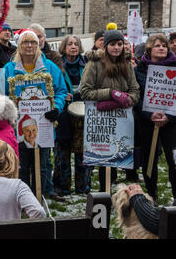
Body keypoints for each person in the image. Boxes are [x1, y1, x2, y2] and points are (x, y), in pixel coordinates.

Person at [3, 29, 68, 202]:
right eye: (25, 42)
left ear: (38, 45)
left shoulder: (50, 67)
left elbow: (61, 90)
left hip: (44, 123)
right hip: (19, 124)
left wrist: (57, 108)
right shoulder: (9, 69)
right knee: (23, 163)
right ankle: (24, 196)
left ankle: (42, 192)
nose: (29, 46)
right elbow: (1, 94)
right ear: (19, 46)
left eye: (33, 42)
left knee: (43, 162)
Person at [80, 30, 140, 193]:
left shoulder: (127, 63)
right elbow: (84, 91)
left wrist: (128, 99)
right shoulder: (94, 63)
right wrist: (110, 94)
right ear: (105, 46)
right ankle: (103, 194)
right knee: (104, 157)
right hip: (100, 118)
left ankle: (114, 193)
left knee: (118, 155)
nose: (116, 47)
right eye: (112, 44)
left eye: (119, 44)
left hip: (121, 117)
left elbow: (135, 90)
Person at [134, 34, 176, 205]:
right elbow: (135, 96)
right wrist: (149, 114)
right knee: (149, 158)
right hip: (148, 121)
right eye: (157, 45)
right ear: (150, 49)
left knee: (173, 159)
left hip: (171, 122)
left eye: (164, 45)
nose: (161, 48)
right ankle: (152, 194)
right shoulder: (139, 70)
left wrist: (170, 116)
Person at [53, 35, 91, 196]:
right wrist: (61, 94)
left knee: (83, 153)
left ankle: (83, 187)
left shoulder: (88, 65)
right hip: (63, 114)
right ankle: (63, 187)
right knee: (63, 152)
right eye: (70, 44)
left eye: (76, 44)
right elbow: (52, 85)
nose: (73, 47)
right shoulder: (57, 65)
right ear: (64, 47)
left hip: (83, 113)